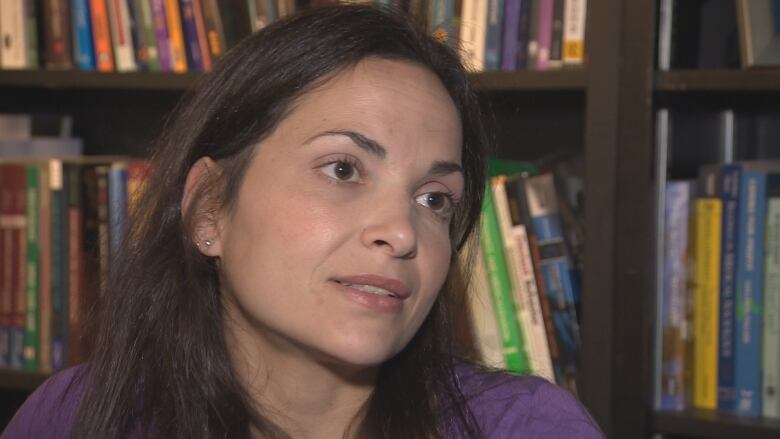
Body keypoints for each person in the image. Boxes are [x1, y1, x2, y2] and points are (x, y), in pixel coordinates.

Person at [3, 4, 604, 438]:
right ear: (210, 207)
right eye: (343, 170)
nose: (400, 232)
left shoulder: (525, 427)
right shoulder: (78, 415)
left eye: (433, 199)